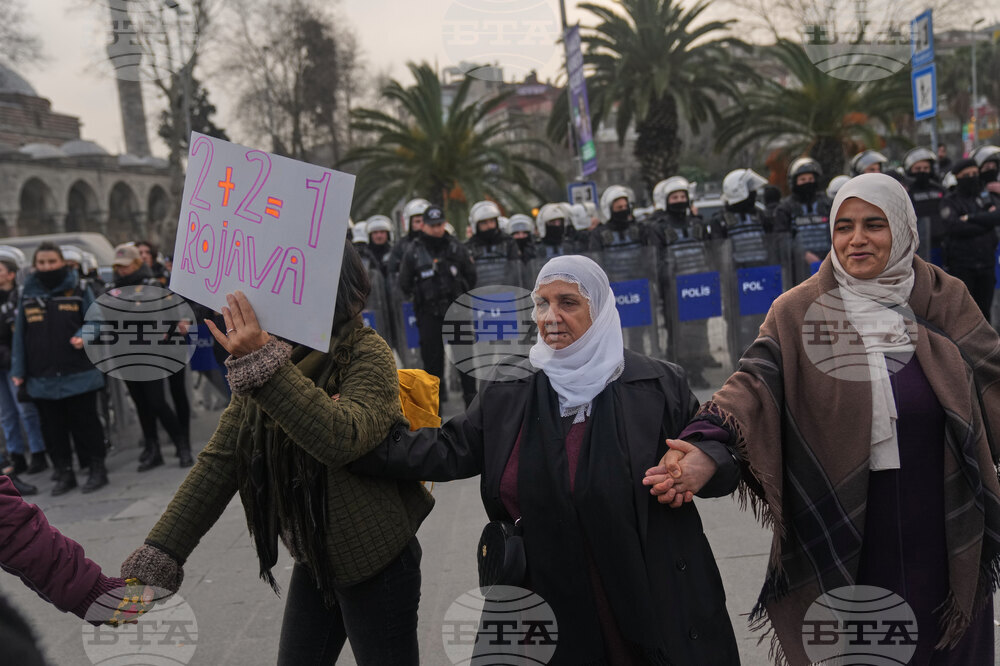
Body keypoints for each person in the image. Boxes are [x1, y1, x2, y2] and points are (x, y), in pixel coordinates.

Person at [648, 173, 1000, 664]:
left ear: (903, 229)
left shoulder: (945, 298)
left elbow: (991, 375)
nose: (857, 239)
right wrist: (705, 450)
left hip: (941, 516)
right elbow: (752, 383)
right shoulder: (798, 312)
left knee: (946, 645)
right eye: (845, 226)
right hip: (846, 522)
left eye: (874, 225)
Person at [354, 255, 740, 665]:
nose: (550, 316)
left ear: (601, 308)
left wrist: (706, 464)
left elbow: (716, 452)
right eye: (541, 303)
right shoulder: (510, 388)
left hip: (644, 597)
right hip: (543, 608)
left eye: (568, 303)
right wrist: (357, 434)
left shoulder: (659, 385)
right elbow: (449, 449)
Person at [121, 243, 433, 666]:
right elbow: (222, 459)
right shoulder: (273, 354)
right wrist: (159, 556)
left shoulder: (365, 350)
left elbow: (340, 439)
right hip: (316, 558)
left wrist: (263, 364)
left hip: (376, 563)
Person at [11, 243, 108, 495]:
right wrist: (18, 371)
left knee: (86, 424)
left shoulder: (79, 288)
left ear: (62, 263)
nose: (46, 267)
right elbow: (20, 335)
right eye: (41, 263)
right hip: (42, 376)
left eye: (51, 262)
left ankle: (97, 469)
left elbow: (96, 320)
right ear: (35, 266)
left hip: (79, 372)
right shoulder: (27, 293)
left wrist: (83, 335)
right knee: (53, 430)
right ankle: (65, 473)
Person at [107, 244, 192, 470]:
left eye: (126, 266)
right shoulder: (111, 288)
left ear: (136, 264)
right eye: (118, 266)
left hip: (150, 351)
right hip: (124, 352)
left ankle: (181, 444)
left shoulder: (152, 285)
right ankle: (152, 447)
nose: (122, 270)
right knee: (141, 404)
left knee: (157, 402)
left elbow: (162, 317)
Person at [398, 205, 477, 406]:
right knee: (432, 363)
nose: (436, 229)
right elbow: (404, 283)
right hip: (428, 314)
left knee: (465, 360)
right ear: (423, 226)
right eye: (432, 225)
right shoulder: (413, 251)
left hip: (457, 311)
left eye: (440, 224)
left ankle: (473, 406)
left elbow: (471, 276)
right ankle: (435, 409)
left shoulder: (456, 247)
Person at [648, 176, 714, 387]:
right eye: (674, 197)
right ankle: (677, 373)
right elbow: (655, 258)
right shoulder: (659, 228)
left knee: (698, 331)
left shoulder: (697, 224)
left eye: (682, 196)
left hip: (699, 286)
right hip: (674, 290)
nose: (678, 200)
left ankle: (697, 371)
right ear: (666, 201)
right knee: (676, 333)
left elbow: (710, 251)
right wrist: (667, 276)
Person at [0, 248, 46, 479]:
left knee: (25, 409)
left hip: (15, 361)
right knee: (6, 413)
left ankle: (38, 452)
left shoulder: (21, 296)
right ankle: (15, 454)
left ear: (11, 273)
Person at [939, 158, 1000, 317]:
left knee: (985, 312)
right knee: (965, 314)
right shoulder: (950, 201)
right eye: (967, 175)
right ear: (958, 177)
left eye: (975, 173)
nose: (972, 177)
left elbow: (996, 217)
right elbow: (955, 227)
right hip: (962, 266)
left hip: (986, 264)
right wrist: (985, 222)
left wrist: (970, 218)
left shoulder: (985, 196)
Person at [773, 157, 833, 283]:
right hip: (799, 269)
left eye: (811, 179)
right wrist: (803, 254)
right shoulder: (785, 208)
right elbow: (782, 238)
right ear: (794, 182)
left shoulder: (827, 204)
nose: (808, 182)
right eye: (803, 180)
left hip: (829, 264)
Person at [903, 146, 947, 265]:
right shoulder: (906, 192)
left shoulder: (939, 189)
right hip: (917, 247)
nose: (922, 171)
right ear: (909, 170)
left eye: (926, 168)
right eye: (918, 168)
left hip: (939, 245)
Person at [466, 200, 519, 287]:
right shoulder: (469, 247)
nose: (489, 226)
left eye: (492, 221)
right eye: (484, 223)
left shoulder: (508, 242)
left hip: (507, 294)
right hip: (479, 297)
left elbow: (516, 272)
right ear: (476, 225)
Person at [388, 198, 430, 276]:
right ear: (409, 223)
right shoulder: (400, 246)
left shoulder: (440, 241)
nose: (422, 225)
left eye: (424, 221)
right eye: (417, 221)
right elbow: (393, 273)